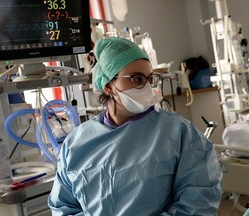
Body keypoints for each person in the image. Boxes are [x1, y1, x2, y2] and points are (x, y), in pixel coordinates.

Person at [48, 37, 223, 215]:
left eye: (150, 79)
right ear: (109, 86)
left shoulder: (180, 134)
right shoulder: (75, 144)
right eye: (137, 79)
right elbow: (63, 208)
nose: (146, 87)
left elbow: (198, 201)